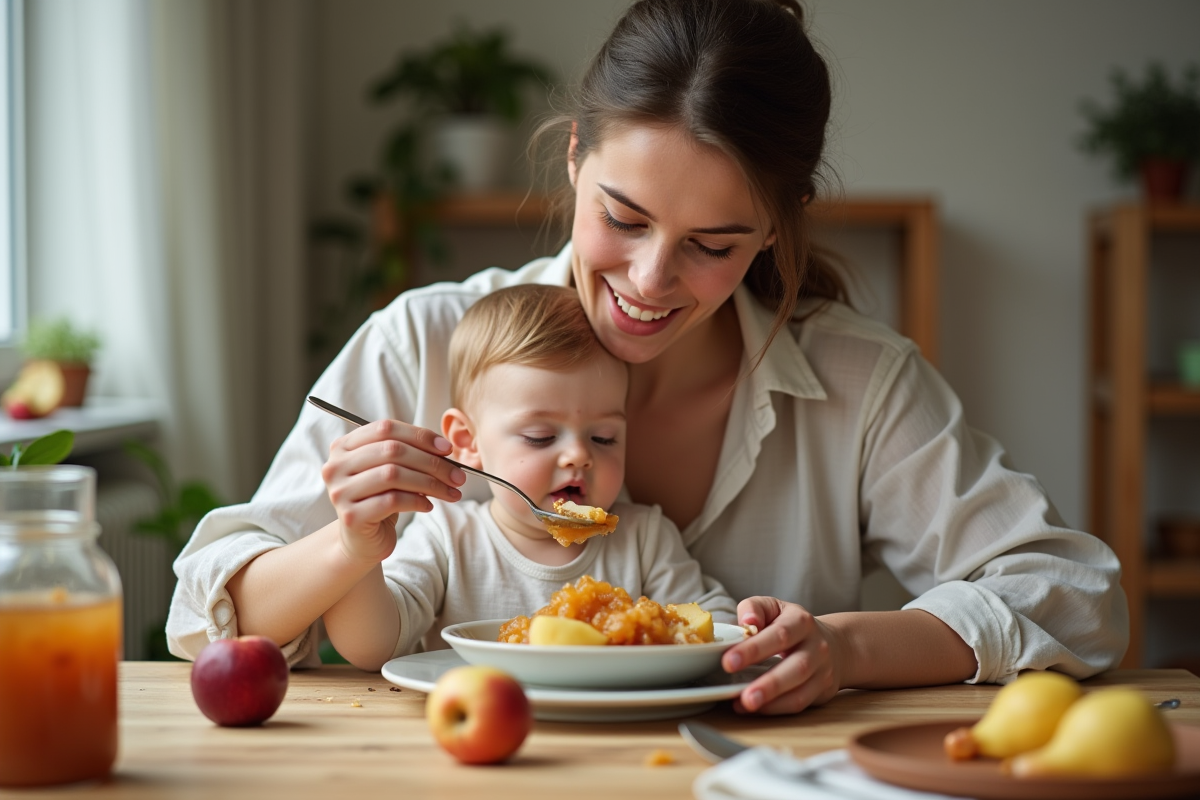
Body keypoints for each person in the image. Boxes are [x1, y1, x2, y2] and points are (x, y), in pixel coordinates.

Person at [167, 0, 1127, 714]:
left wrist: (844, 649)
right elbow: (210, 613)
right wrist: (346, 541)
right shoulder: (424, 339)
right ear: (575, 156)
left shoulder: (857, 384)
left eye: (714, 244)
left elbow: (1074, 595)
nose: (651, 280)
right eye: (622, 219)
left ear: (772, 233)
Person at [328, 283, 735, 667]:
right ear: (468, 442)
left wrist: (753, 627)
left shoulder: (645, 540)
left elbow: (711, 629)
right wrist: (360, 550)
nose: (579, 454)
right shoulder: (448, 538)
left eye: (604, 437)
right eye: (540, 437)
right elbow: (371, 646)